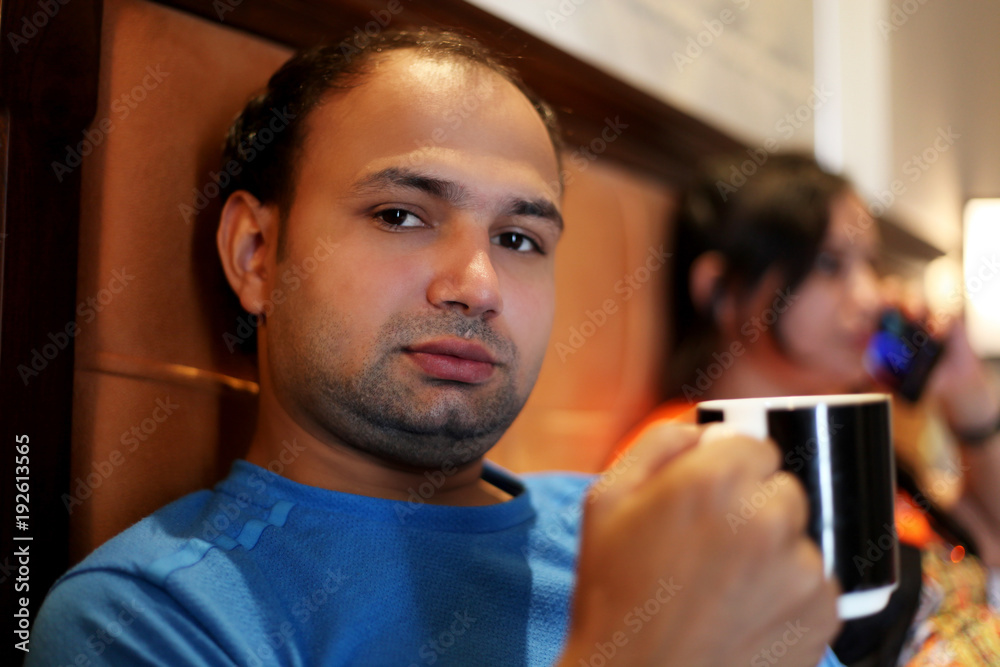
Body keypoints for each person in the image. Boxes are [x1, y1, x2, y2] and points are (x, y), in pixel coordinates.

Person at [27, 30, 846, 666]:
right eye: (400, 215)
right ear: (255, 254)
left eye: (520, 237)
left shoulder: (636, 523)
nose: (477, 283)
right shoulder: (152, 615)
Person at [607, 153, 1000, 665]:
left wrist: (967, 397)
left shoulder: (852, 432)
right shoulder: (683, 450)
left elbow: (988, 537)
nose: (870, 296)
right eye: (829, 264)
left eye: (870, 264)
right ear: (720, 290)